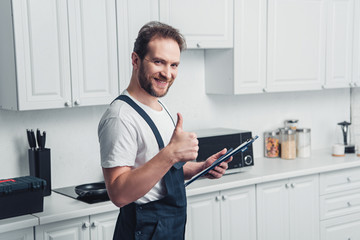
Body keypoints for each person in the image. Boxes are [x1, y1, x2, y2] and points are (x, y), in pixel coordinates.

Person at [98, 21, 231, 240]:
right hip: (142, 229)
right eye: (159, 62)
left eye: (174, 65)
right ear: (135, 60)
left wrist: (201, 168)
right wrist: (171, 154)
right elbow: (119, 194)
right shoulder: (120, 117)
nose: (167, 74)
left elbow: (164, 170)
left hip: (168, 228)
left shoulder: (160, 107)